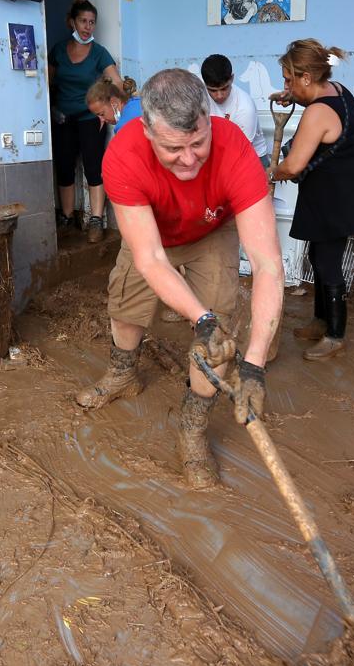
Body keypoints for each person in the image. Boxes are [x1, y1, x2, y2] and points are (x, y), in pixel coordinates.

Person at [76, 68, 284, 489]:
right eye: (174, 148)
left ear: (208, 118)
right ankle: (123, 373)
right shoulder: (123, 154)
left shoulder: (235, 149)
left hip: (212, 230)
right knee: (127, 303)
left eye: (198, 143)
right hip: (152, 233)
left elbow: (268, 266)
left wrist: (255, 364)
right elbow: (150, 259)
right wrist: (197, 317)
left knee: (218, 334)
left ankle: (192, 428)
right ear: (149, 131)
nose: (189, 159)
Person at [272, 40, 354, 362]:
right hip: (341, 188)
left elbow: (294, 166)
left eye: (289, 80)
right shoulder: (337, 90)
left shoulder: (318, 113)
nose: (285, 86)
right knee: (317, 255)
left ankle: (335, 335)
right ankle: (320, 320)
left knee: (328, 262)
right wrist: (292, 97)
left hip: (335, 196)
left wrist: (269, 172)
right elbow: (314, 102)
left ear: (305, 77)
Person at [49, 0, 120, 243]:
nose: (88, 27)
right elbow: (46, 82)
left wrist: (113, 105)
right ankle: (67, 217)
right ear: (72, 22)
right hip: (62, 117)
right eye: (83, 21)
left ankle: (96, 220)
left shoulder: (99, 53)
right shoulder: (59, 50)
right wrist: (49, 108)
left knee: (93, 167)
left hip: (91, 118)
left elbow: (117, 82)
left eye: (92, 22)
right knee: (65, 166)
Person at [201, 54, 267, 170]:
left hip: (250, 158)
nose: (219, 96)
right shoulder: (199, 99)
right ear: (205, 84)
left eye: (224, 88)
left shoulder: (245, 107)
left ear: (232, 78)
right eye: (213, 90)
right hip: (216, 156)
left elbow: (239, 152)